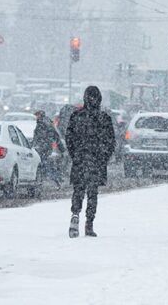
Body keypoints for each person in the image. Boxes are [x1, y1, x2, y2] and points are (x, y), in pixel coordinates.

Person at [65, 86, 116, 238]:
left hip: (80, 160)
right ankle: (89, 223)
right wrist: (104, 157)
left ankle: (75, 215)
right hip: (97, 161)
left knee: (78, 190)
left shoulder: (76, 116)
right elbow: (111, 141)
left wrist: (75, 154)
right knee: (92, 193)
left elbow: (69, 138)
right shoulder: (104, 118)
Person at [32, 110, 63, 188]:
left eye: (37, 115)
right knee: (44, 164)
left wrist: (36, 144)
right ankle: (54, 180)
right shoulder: (45, 122)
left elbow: (39, 137)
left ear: (40, 115)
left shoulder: (43, 123)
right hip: (45, 147)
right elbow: (55, 135)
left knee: (44, 164)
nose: (36, 117)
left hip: (43, 147)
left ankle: (54, 180)